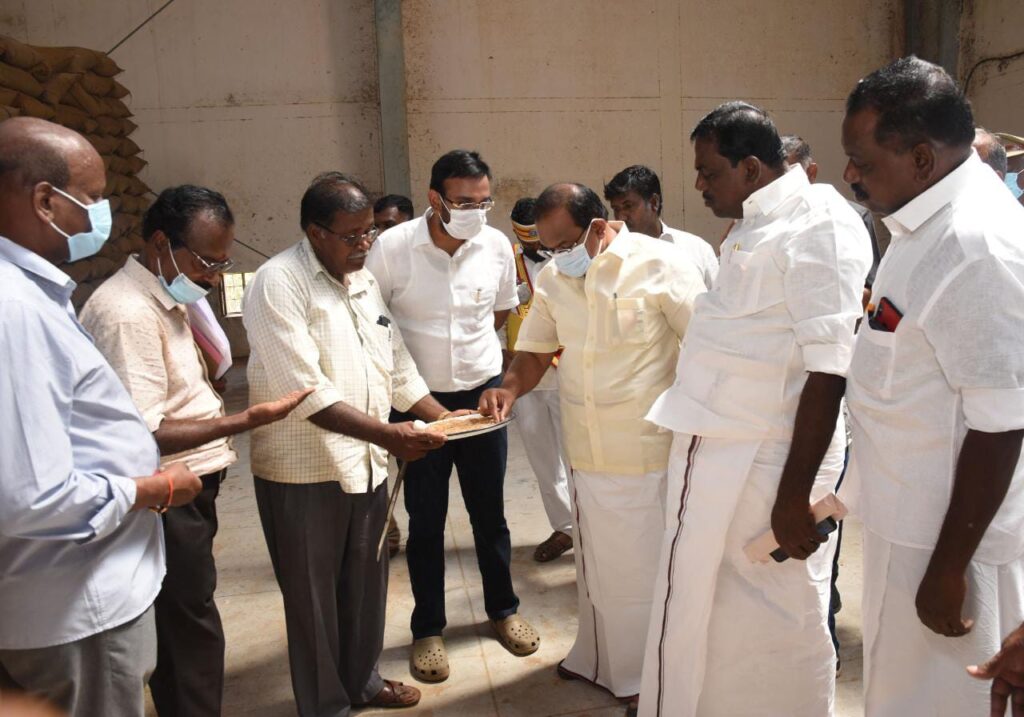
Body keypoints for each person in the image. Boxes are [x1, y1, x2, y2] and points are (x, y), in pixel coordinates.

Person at [637, 102, 872, 717]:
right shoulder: (755, 220)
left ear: (749, 168)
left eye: (708, 172)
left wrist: (793, 496)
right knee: (709, 610)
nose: (698, 184)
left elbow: (830, 368)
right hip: (721, 452)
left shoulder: (819, 224)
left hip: (770, 463)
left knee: (777, 619)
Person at [79, 185, 311, 717]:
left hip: (187, 486)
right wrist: (244, 420)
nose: (213, 277)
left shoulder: (164, 297)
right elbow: (144, 431)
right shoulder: (127, 313)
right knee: (188, 622)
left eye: (222, 264)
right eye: (207, 262)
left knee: (187, 612)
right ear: (161, 243)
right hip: (164, 491)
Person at [0, 118, 202, 715]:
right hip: (74, 602)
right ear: (45, 201)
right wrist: (156, 488)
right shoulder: (14, 311)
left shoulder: (33, 295)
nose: (102, 213)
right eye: (91, 198)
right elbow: (31, 497)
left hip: (76, 592)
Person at [841, 56, 1024, 717]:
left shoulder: (975, 247)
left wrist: (948, 569)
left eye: (862, 161)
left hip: (954, 552)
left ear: (921, 158)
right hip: (907, 525)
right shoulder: (920, 222)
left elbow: (1001, 425)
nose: (850, 175)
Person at [480, 183, 705, 708]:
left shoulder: (659, 265)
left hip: (647, 453)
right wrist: (508, 389)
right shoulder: (556, 278)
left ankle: (649, 677)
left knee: (644, 576)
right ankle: (598, 659)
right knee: (598, 571)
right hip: (585, 451)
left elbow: (705, 345)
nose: (556, 256)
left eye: (564, 245)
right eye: (547, 248)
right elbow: (535, 352)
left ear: (598, 227)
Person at [243, 172, 451, 716]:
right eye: (352, 235)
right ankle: (325, 704)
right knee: (313, 600)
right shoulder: (278, 282)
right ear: (316, 232)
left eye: (369, 233)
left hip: (367, 465)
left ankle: (362, 682)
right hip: (305, 472)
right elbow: (304, 391)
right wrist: (389, 434)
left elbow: (396, 363)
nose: (364, 244)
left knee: (365, 585)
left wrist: (444, 418)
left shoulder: (362, 280)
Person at [365, 150, 539, 683]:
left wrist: (490, 377)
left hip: (483, 398)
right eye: (464, 203)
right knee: (426, 520)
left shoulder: (496, 246)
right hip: (416, 403)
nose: (475, 213)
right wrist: (418, 402)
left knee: (490, 514)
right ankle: (428, 629)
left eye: (484, 202)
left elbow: (501, 312)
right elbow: (373, 323)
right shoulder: (393, 248)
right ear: (434, 199)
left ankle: (503, 609)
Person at [505, 197, 574, 563]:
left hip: (566, 367)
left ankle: (590, 525)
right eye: (527, 239)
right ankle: (565, 527)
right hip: (524, 371)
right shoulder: (507, 262)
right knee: (542, 457)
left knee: (577, 454)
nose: (536, 245)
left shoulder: (569, 259)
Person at [782, 133, 881, 305]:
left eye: (787, 177)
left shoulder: (853, 216)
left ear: (811, 173)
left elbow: (872, 296)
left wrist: (823, 288)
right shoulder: (760, 219)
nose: (780, 187)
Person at [371, 192, 416, 557]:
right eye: (377, 227)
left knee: (409, 463)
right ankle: (385, 526)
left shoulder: (420, 260)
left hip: (411, 381)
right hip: (375, 375)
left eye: (390, 225)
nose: (380, 234)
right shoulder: (369, 263)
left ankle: (412, 526)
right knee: (373, 455)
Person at [603, 164, 718, 288]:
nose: (621, 217)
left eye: (628, 206)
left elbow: (720, 297)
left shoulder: (697, 250)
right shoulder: (611, 257)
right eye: (616, 209)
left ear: (654, 203)